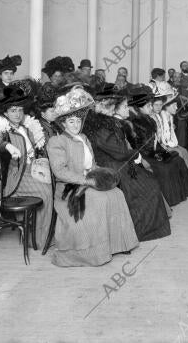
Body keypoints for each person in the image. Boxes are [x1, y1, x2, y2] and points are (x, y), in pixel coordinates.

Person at [47, 87, 139, 267]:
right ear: (63, 124)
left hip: (88, 181)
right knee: (99, 199)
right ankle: (95, 251)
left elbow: (93, 164)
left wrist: (102, 174)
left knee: (116, 194)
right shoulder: (57, 142)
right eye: (71, 122)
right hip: (69, 188)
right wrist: (86, 181)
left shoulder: (84, 137)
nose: (76, 125)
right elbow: (60, 171)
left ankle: (117, 244)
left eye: (78, 121)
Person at [83, 84, 171, 241]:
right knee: (146, 188)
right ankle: (138, 231)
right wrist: (135, 155)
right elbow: (117, 151)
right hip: (110, 167)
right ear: (108, 107)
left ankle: (143, 229)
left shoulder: (106, 122)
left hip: (118, 162)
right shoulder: (101, 125)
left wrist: (133, 155)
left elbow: (120, 149)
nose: (125, 108)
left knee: (150, 182)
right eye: (122, 106)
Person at [0, 85, 53, 246]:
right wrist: (7, 146)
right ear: (5, 113)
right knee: (46, 192)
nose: (17, 114)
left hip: (31, 170)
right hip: (13, 179)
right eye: (13, 110)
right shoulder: (1, 128)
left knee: (56, 186)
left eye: (20, 110)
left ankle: (49, 232)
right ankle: (36, 239)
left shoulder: (25, 128)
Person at [127, 87, 188, 206]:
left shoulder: (149, 119)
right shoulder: (136, 122)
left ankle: (181, 193)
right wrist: (159, 155)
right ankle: (169, 200)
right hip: (145, 154)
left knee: (177, 160)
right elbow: (142, 146)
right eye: (148, 106)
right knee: (165, 167)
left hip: (153, 151)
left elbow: (155, 142)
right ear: (140, 108)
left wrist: (162, 151)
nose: (151, 108)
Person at [151, 82, 188, 187]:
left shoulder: (170, 117)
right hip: (161, 146)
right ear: (166, 107)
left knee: (184, 151)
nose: (177, 107)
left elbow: (171, 136)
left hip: (168, 144)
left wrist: (174, 144)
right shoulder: (161, 116)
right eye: (174, 105)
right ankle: (184, 182)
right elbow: (161, 137)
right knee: (180, 153)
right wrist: (169, 146)